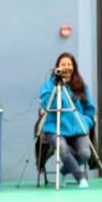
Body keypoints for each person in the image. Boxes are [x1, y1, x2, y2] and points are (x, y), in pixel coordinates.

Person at [39, 52, 96, 188]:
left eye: (69, 64)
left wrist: (85, 123)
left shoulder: (81, 86)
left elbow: (90, 110)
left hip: (77, 128)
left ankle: (63, 171)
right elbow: (47, 105)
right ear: (57, 68)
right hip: (55, 127)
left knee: (85, 153)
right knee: (63, 149)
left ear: (74, 67)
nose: (66, 67)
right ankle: (81, 178)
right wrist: (58, 88)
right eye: (63, 64)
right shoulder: (49, 85)